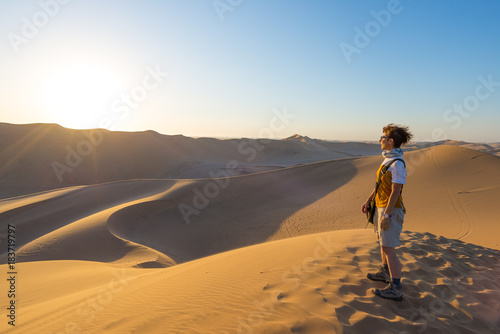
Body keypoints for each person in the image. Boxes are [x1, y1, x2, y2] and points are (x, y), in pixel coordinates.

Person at [361, 123, 413, 301]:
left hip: (390, 209)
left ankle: (396, 288)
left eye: (382, 137)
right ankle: (385, 273)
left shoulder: (397, 164)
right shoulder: (388, 160)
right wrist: (369, 200)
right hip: (380, 207)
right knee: (383, 244)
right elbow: (380, 186)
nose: (379, 140)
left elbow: (395, 191)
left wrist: (387, 215)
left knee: (389, 248)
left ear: (391, 141)